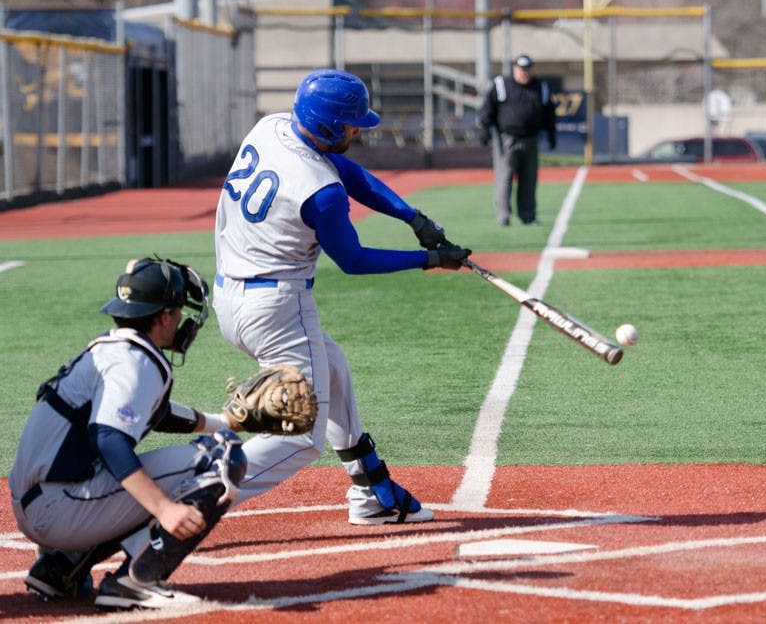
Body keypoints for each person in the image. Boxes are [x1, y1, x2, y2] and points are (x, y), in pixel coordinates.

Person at [213, 68, 471, 525]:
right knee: (302, 436)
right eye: (352, 124)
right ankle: (193, 495)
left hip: (232, 297)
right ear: (330, 126)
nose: (358, 130)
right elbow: (352, 260)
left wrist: (412, 217)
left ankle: (371, 492)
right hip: (277, 308)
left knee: (332, 370)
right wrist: (428, 261)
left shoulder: (272, 125)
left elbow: (346, 170)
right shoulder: (321, 193)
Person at [9, 257, 247, 610]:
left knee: (216, 441)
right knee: (222, 456)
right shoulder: (133, 361)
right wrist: (164, 509)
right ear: (163, 315)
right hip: (59, 507)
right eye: (178, 311)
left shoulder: (115, 348)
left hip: (45, 500)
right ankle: (135, 580)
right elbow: (108, 438)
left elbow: (158, 414)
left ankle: (61, 566)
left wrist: (223, 421)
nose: (182, 320)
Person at [476, 53, 558, 226]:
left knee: (529, 179)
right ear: (515, 69)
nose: (524, 73)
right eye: (521, 69)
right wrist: (484, 132)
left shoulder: (540, 87)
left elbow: (549, 113)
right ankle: (503, 215)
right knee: (504, 178)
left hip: (531, 139)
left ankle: (528, 215)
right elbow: (487, 110)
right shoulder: (501, 85)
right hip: (506, 140)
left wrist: (551, 134)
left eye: (527, 69)